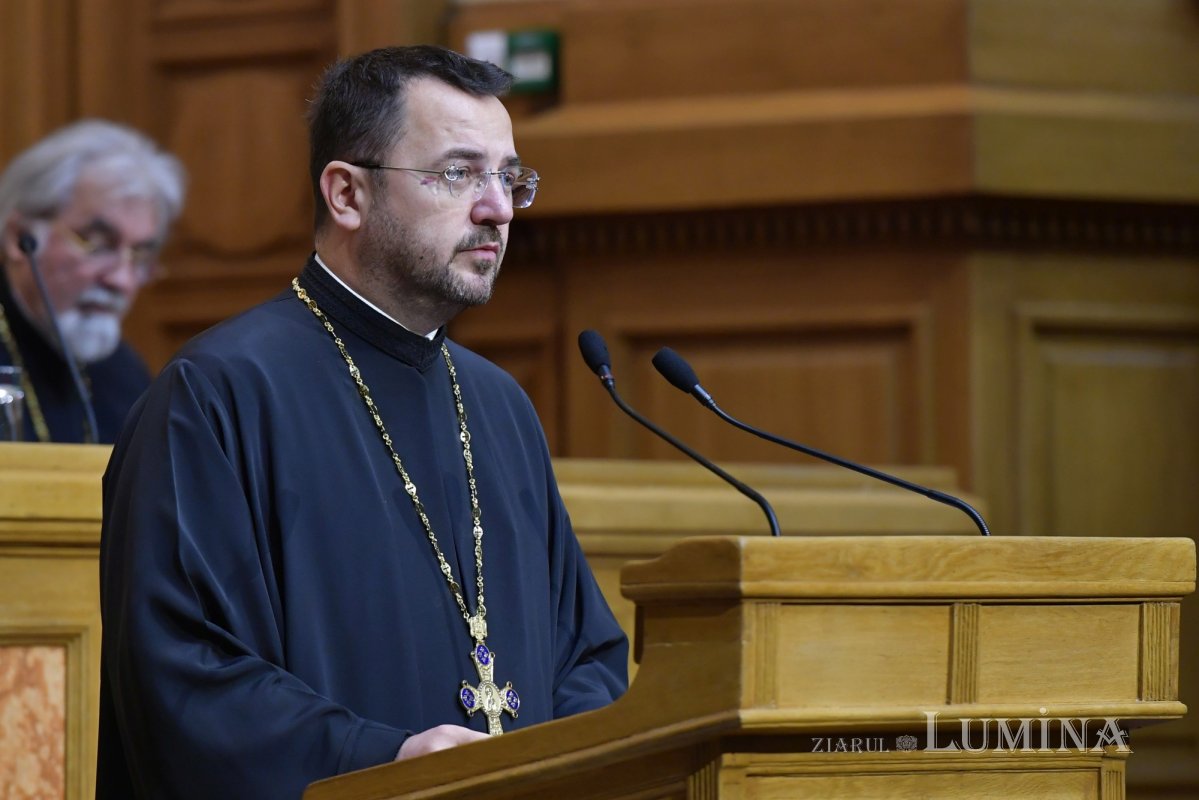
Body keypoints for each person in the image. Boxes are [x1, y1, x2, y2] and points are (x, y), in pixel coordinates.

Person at [97, 45, 629, 798]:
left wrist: (558, 759)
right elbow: (179, 675)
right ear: (346, 194)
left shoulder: (498, 404)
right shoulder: (215, 394)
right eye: (458, 173)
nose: (498, 208)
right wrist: (381, 762)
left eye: (508, 177)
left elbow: (584, 651)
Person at [0, 119, 186, 443]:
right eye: (98, 244)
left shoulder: (125, 376)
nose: (122, 280)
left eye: (140, 255)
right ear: (19, 238)